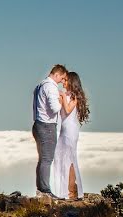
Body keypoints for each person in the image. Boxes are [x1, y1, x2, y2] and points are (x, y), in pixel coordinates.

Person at [52, 71, 90, 200]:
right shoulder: (66, 94)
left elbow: (68, 110)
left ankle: (72, 191)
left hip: (71, 130)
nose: (63, 82)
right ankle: (64, 190)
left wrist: (62, 98)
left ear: (72, 82)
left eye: (66, 80)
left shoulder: (74, 96)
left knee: (70, 159)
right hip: (64, 129)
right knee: (61, 158)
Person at [32, 65, 68, 198]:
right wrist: (61, 100)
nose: (61, 82)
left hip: (38, 124)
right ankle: (45, 191)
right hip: (46, 125)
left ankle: (41, 189)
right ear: (57, 74)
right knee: (47, 159)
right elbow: (54, 109)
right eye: (62, 78)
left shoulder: (40, 85)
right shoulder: (51, 87)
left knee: (42, 159)